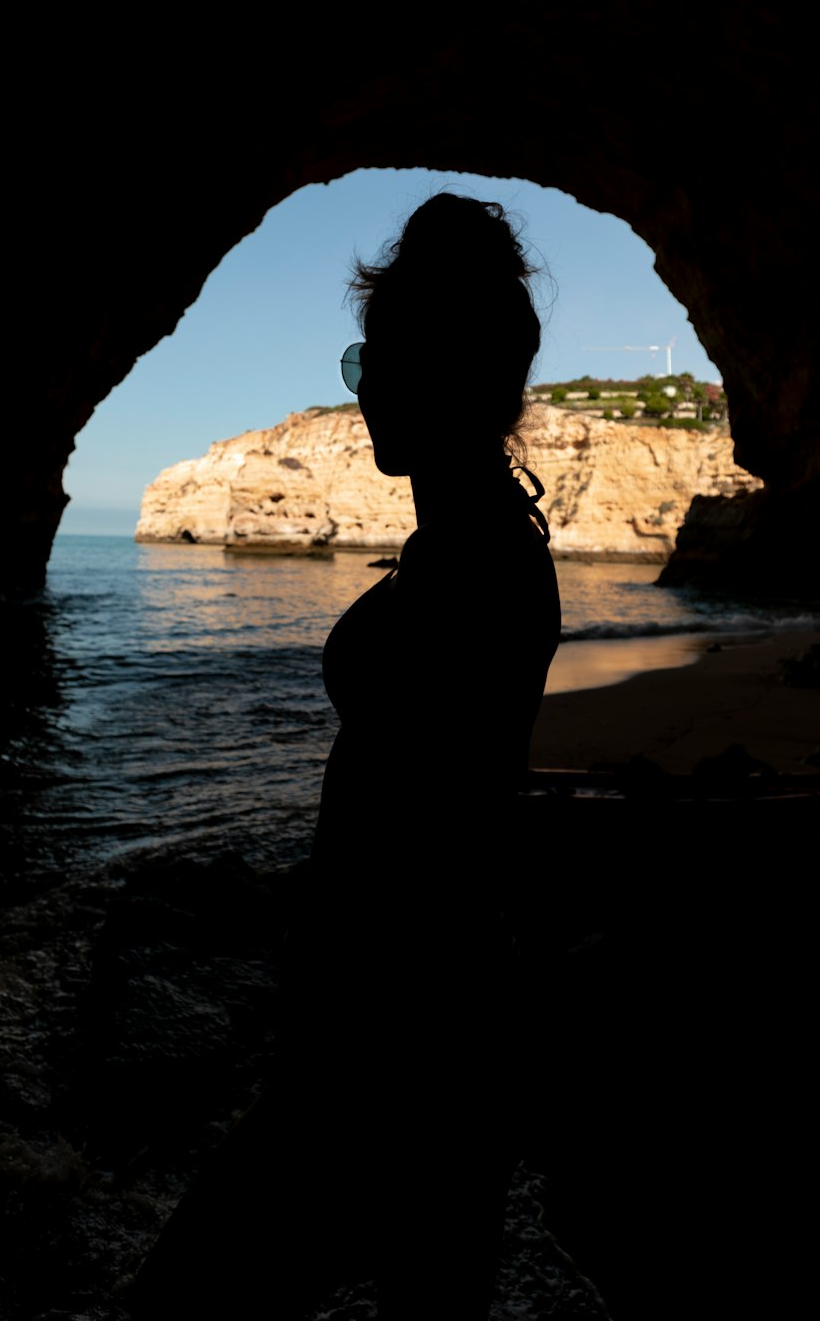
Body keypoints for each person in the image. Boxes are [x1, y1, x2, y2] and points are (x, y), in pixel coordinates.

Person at [131, 193, 561, 1319]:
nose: (366, 381)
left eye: (383, 357)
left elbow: (428, 829)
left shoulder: (476, 563)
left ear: (452, 376)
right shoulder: (475, 543)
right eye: (362, 356)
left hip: (400, 1037)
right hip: (435, 1022)